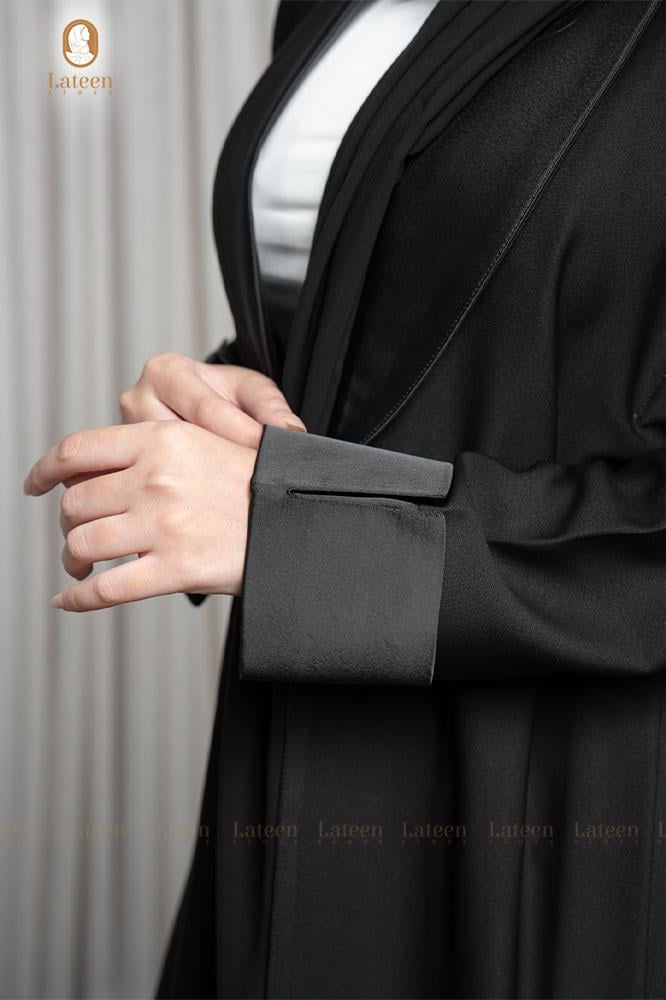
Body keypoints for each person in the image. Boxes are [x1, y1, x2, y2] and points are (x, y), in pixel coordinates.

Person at [23, 0, 666, 997]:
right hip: (293, 738)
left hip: (550, 788)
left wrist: (301, 538)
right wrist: (218, 400)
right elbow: (398, 344)